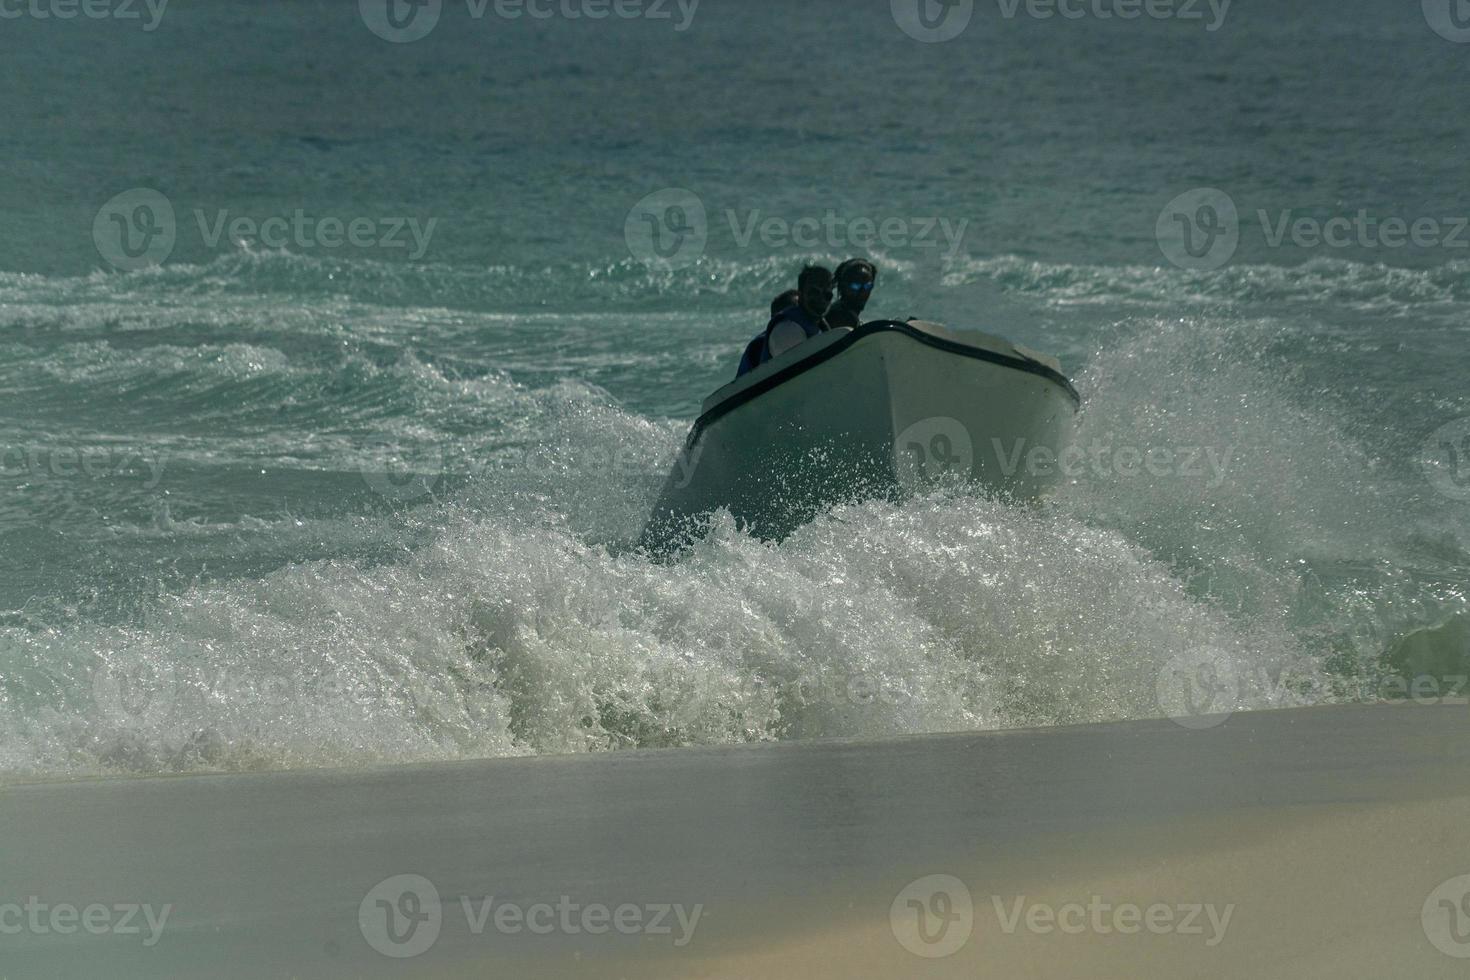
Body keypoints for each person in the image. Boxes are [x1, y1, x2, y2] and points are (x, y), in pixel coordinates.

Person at [734, 267, 834, 378]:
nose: (821, 299)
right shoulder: (787, 330)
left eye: (827, 295)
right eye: (814, 292)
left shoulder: (819, 326)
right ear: (800, 293)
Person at [826, 258, 876, 330]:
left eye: (867, 286)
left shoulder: (848, 313)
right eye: (855, 286)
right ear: (842, 286)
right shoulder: (841, 317)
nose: (862, 291)